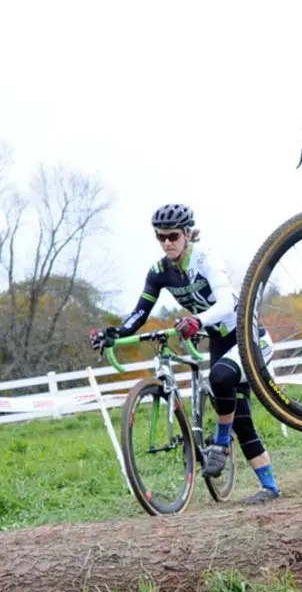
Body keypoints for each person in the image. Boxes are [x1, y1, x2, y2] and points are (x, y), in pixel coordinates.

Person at [90, 204, 281, 505]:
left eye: (173, 236)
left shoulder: (206, 258)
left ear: (188, 234)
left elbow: (228, 303)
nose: (167, 243)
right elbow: (140, 312)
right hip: (219, 339)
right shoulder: (159, 272)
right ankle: (270, 487)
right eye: (160, 237)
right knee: (240, 419)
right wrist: (114, 333)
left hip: (247, 335)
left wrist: (198, 320)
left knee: (219, 378)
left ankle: (220, 445)